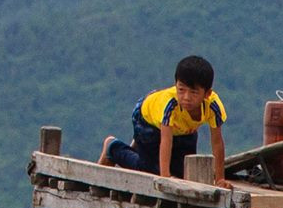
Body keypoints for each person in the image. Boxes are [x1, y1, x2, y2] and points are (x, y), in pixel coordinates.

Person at [97, 55, 231, 189]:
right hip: (146, 120)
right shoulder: (171, 105)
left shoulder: (213, 106)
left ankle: (141, 148)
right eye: (181, 90)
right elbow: (166, 140)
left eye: (194, 93)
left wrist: (220, 179)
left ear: (207, 94)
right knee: (150, 171)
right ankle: (113, 148)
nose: (186, 97)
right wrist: (165, 177)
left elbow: (217, 142)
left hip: (182, 129)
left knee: (183, 173)